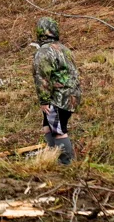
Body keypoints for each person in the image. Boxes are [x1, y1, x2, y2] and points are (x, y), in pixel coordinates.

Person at [32, 17, 82, 165]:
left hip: (58, 98)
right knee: (48, 127)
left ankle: (66, 164)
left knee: (59, 131)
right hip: (72, 95)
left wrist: (44, 101)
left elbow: (42, 78)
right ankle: (53, 158)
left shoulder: (43, 52)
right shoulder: (64, 49)